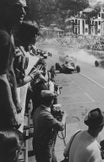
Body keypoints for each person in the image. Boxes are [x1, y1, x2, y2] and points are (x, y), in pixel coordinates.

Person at [0, 0, 27, 130]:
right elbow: (1, 77)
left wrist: (17, 101)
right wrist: (12, 113)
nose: (23, 12)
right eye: (18, 7)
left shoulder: (9, 32)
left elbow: (10, 68)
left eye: (24, 8)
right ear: (4, 7)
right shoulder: (3, 36)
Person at [33, 90, 66, 162]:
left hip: (40, 144)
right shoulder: (46, 115)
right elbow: (61, 127)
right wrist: (64, 116)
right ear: (51, 101)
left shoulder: (38, 110)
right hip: (44, 147)